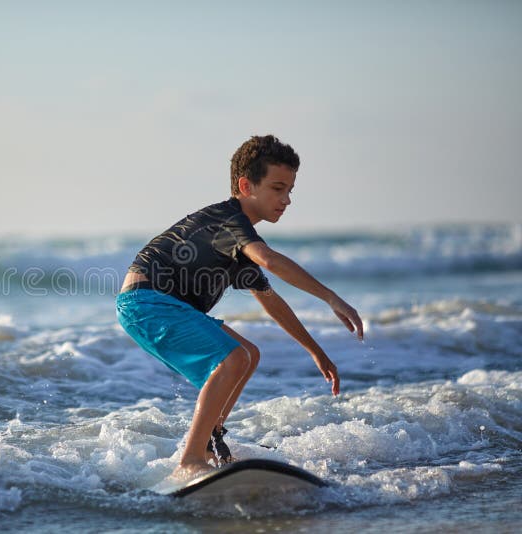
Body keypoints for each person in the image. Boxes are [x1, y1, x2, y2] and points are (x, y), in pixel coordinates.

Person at [115, 134, 364, 481]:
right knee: (232, 358)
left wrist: (315, 352)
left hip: (161, 305)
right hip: (147, 302)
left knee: (248, 353)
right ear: (246, 185)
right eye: (278, 188)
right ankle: (191, 457)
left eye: (290, 190)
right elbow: (270, 259)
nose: (287, 199)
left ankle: (208, 440)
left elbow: (270, 299)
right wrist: (331, 297)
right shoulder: (230, 221)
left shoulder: (236, 243)